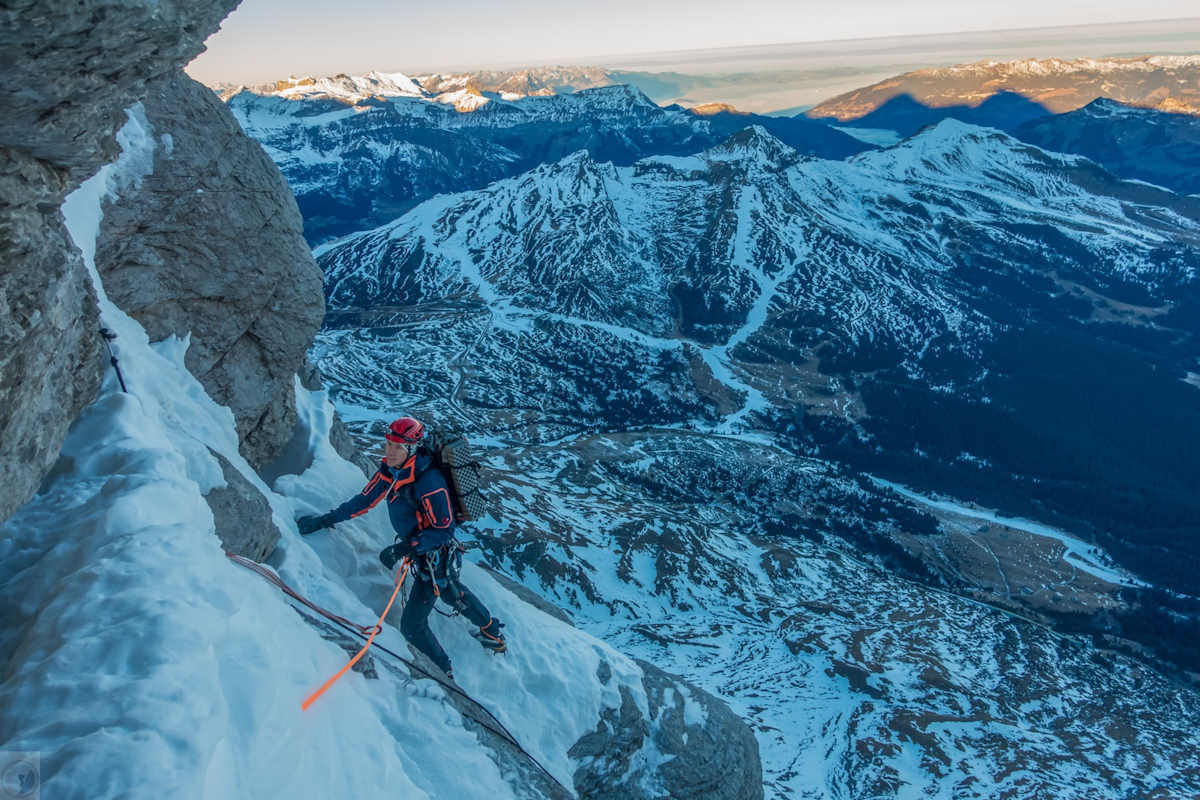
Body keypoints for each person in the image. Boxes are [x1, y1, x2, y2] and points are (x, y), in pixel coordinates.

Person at [296, 416, 505, 679]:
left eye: (397, 446)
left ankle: (445, 673)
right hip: (422, 554)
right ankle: (490, 631)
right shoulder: (393, 471)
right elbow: (365, 500)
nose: (390, 451)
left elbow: (444, 529)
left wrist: (404, 548)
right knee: (452, 594)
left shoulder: (429, 483)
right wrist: (325, 520)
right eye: (388, 444)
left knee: (415, 624)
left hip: (435, 557)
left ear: (412, 449)